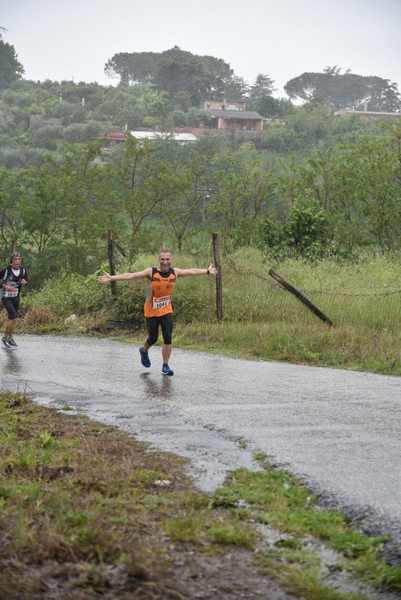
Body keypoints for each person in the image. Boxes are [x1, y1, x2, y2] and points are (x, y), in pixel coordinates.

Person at [98, 249, 217, 376]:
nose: (165, 262)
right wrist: (112, 278)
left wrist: (207, 271)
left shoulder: (174, 272)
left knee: (167, 337)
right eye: (162, 259)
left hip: (166, 309)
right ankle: (144, 350)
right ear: (159, 260)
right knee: (153, 338)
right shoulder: (151, 272)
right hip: (151, 310)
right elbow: (131, 275)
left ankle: (165, 366)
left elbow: (191, 271)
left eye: (167, 259)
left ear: (170, 260)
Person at [1, 252, 28, 348]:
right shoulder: (6, 270)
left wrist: (25, 282)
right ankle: (5, 338)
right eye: (15, 259)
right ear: (11, 261)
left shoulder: (23, 270)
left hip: (16, 297)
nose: (17, 261)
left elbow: (26, 280)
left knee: (12, 318)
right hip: (6, 297)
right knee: (13, 316)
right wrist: (6, 286)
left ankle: (10, 338)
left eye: (19, 259)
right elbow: (1, 283)